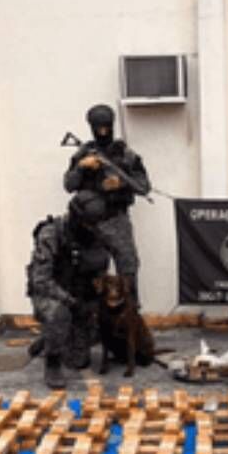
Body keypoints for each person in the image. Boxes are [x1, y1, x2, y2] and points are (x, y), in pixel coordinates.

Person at [63, 104, 150, 304]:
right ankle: (91, 320)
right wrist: (81, 168)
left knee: (128, 267)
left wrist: (120, 184)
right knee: (91, 271)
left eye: (106, 127)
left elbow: (144, 187)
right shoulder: (83, 153)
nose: (103, 131)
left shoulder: (126, 154)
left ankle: (130, 314)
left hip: (116, 220)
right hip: (88, 224)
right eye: (98, 127)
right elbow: (69, 185)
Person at [27, 190, 111, 388]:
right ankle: (52, 361)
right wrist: (71, 301)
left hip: (79, 294)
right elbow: (41, 280)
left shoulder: (96, 234)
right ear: (76, 217)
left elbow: (100, 271)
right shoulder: (52, 234)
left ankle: (49, 339)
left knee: (78, 361)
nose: (93, 227)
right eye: (89, 223)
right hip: (51, 295)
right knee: (59, 315)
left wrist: (95, 299)